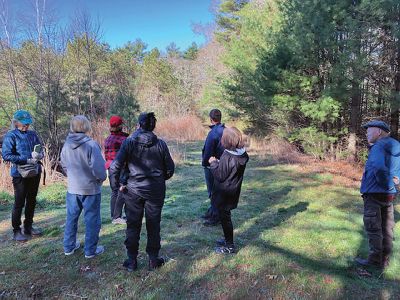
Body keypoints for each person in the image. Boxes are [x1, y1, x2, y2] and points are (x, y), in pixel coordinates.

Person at [110, 112, 175, 272]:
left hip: (133, 190)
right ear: (152, 126)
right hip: (153, 190)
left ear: (139, 125)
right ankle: (153, 259)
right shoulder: (160, 144)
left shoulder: (130, 142)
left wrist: (117, 185)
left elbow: (114, 167)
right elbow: (170, 169)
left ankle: (132, 261)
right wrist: (158, 180)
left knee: (133, 225)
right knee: (153, 225)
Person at [60, 115, 107, 259]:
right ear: (86, 126)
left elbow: (63, 164)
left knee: (71, 218)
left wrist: (72, 177)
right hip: (90, 189)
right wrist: (101, 179)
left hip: (73, 189)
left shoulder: (66, 144)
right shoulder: (91, 145)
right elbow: (99, 169)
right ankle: (90, 250)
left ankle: (69, 247)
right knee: (92, 220)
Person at [355, 120, 400, 268]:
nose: (366, 133)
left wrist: (386, 184)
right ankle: (384, 259)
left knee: (373, 227)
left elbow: (378, 168)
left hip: (374, 193)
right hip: (389, 195)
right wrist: (396, 184)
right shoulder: (396, 146)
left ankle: (374, 261)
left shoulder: (378, 146)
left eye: (369, 130)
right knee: (387, 227)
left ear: (379, 132)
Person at [2, 110, 44, 242]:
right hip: (19, 174)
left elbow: (40, 147)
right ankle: (16, 231)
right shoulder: (11, 136)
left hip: (34, 171)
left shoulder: (32, 134)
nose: (26, 126)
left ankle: (28, 227)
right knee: (19, 203)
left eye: (28, 124)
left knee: (32, 200)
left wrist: (39, 155)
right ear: (16, 122)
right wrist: (26, 159)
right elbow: (6, 155)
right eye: (23, 124)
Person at [208, 127, 249, 254]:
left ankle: (230, 246)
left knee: (225, 218)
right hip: (233, 191)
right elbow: (231, 169)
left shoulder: (227, 155)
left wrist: (213, 163)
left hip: (224, 193)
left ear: (227, 140)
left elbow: (220, 175)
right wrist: (220, 163)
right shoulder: (242, 153)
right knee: (226, 217)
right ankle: (227, 239)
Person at [201, 109, 225, 226]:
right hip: (224, 165)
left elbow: (208, 151)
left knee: (213, 192)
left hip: (212, 166)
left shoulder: (213, 133)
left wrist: (205, 163)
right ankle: (212, 212)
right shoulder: (226, 130)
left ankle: (215, 217)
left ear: (211, 119)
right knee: (218, 191)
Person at [104, 115, 129, 225]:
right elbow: (127, 155)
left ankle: (114, 215)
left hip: (110, 167)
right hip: (121, 167)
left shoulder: (107, 139)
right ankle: (117, 217)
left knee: (114, 191)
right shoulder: (124, 140)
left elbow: (106, 155)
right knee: (123, 190)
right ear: (120, 126)